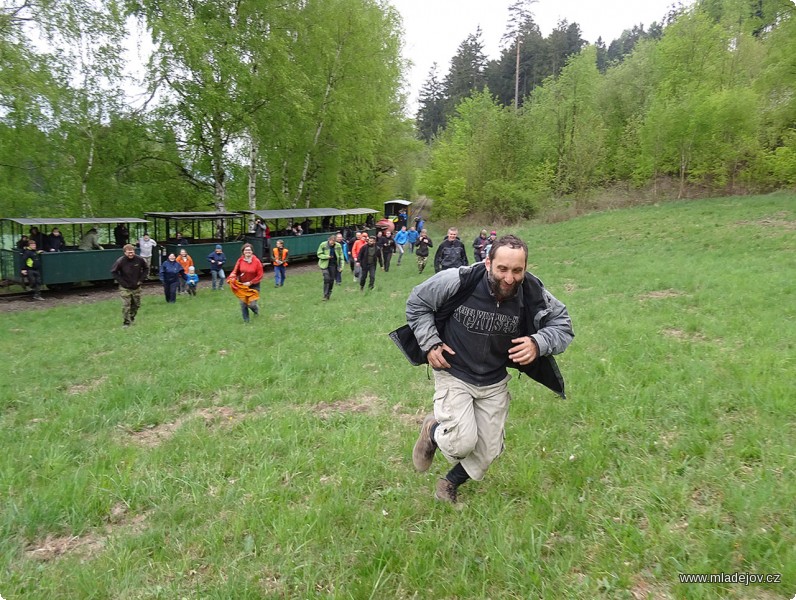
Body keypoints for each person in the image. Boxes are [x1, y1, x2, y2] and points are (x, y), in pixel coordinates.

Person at [406, 234, 574, 504]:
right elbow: (417, 303)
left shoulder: (532, 291)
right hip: (455, 371)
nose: (509, 278)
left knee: (488, 451)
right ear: (487, 263)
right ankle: (433, 429)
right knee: (462, 443)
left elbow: (563, 325)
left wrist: (538, 342)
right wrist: (430, 343)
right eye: (502, 269)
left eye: (517, 271)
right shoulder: (458, 280)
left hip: (494, 380)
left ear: (525, 268)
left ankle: (448, 483)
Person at [110, 244, 149, 327]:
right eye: (129, 253)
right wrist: (122, 282)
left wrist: (141, 280)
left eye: (132, 252)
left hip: (136, 287)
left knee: (136, 305)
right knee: (126, 305)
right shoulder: (120, 261)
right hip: (125, 287)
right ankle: (126, 322)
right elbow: (114, 272)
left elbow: (146, 268)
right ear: (125, 253)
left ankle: (132, 317)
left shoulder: (139, 259)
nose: (131, 254)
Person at [227, 243, 263, 323]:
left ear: (252, 251)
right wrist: (232, 277)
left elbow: (260, 275)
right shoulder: (240, 260)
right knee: (243, 303)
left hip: (254, 285)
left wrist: (250, 282)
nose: (248, 251)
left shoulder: (257, 261)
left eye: (249, 250)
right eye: (246, 250)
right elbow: (235, 271)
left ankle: (256, 311)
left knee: (252, 304)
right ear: (243, 252)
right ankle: (246, 321)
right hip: (242, 286)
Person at [317, 234, 344, 301]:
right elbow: (319, 254)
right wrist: (326, 256)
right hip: (324, 265)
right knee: (326, 278)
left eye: (333, 243)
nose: (332, 244)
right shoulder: (323, 244)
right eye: (331, 242)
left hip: (333, 265)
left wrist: (341, 266)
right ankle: (325, 295)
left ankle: (329, 293)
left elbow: (341, 256)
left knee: (331, 280)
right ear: (329, 240)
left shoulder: (338, 246)